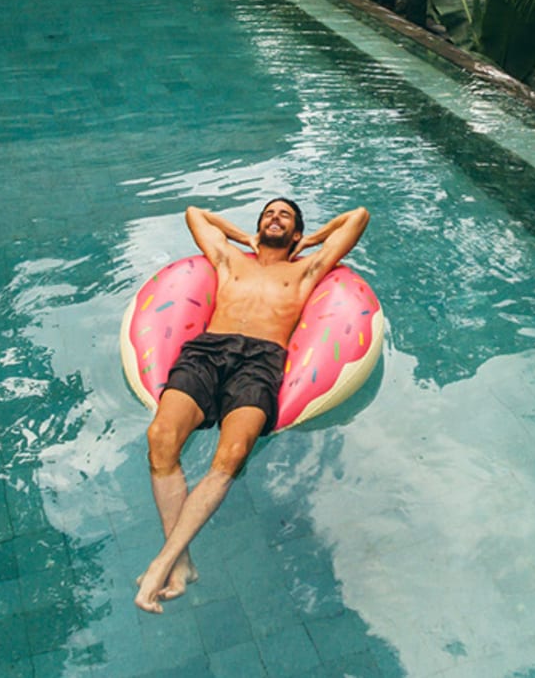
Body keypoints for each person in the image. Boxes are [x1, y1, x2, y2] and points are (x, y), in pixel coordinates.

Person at [134, 197, 370, 613]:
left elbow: (358, 217)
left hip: (260, 361)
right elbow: (195, 214)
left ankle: (161, 563)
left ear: (295, 232)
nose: (275, 217)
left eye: (285, 215)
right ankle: (180, 560)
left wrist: (309, 241)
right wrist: (245, 236)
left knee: (233, 454)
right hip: (206, 352)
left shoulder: (306, 269)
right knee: (160, 437)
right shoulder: (228, 259)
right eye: (268, 213)